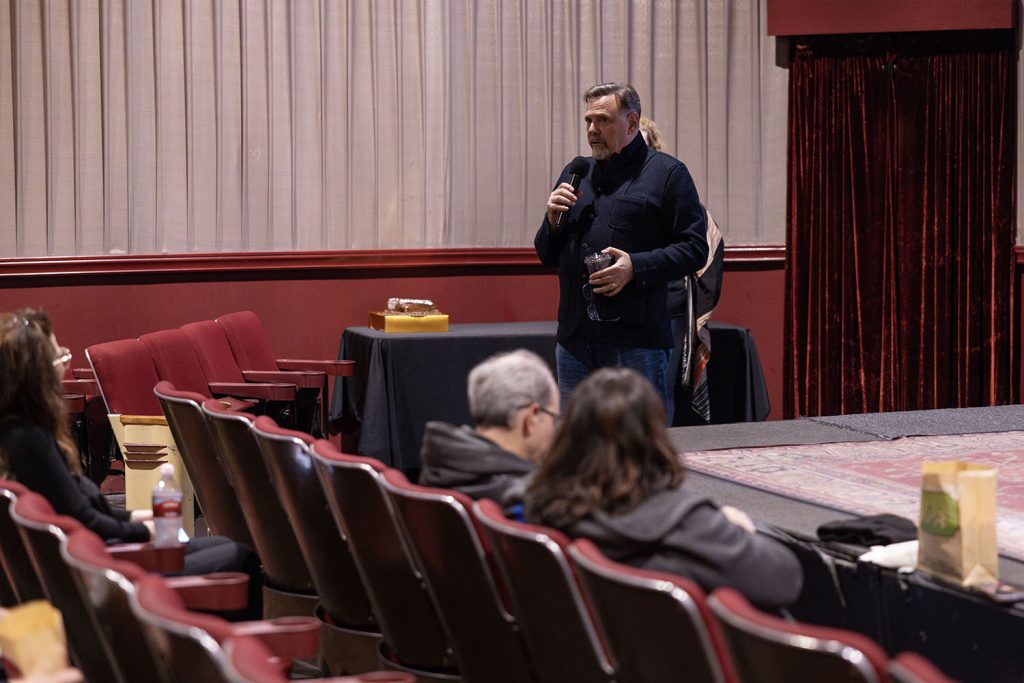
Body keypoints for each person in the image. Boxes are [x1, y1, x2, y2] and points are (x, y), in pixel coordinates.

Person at [0, 309, 262, 619]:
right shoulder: (28, 442)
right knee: (238, 558)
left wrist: (138, 516)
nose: (66, 368)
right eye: (59, 360)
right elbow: (84, 521)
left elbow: (84, 508)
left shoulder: (20, 433)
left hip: (103, 556)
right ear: (37, 376)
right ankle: (221, 649)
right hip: (109, 571)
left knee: (223, 545)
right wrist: (142, 531)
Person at [525, 367, 802, 610]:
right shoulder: (688, 523)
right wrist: (743, 528)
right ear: (656, 439)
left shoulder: (541, 506)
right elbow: (785, 579)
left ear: (569, 436)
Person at [536, 83, 709, 418]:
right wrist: (552, 222)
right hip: (575, 342)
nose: (592, 130)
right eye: (588, 120)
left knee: (638, 441)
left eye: (602, 120)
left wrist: (636, 267)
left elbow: (694, 248)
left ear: (632, 123)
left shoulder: (668, 174)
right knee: (578, 442)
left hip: (636, 344)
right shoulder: (576, 173)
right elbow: (546, 254)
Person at [419, 349, 559, 510]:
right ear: (531, 418)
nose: (555, 428)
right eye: (554, 418)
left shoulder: (438, 466)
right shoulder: (526, 501)